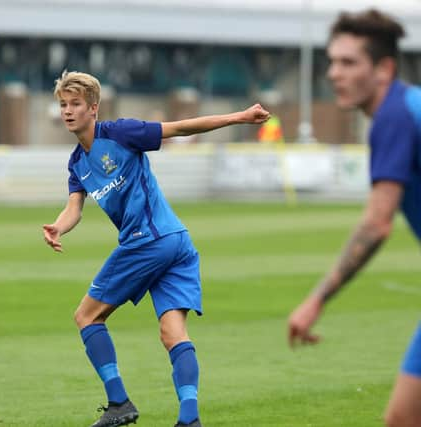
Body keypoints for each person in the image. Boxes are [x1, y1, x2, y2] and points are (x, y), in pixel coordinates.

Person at [43, 70, 270, 427]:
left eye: (75, 104)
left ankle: (119, 403)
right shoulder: (76, 163)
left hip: (147, 242)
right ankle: (189, 420)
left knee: (86, 316)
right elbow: (74, 208)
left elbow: (179, 128)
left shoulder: (120, 133)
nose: (68, 111)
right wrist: (59, 226)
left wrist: (239, 117)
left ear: (93, 109)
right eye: (63, 105)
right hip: (177, 243)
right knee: (172, 334)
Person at [287, 9, 421, 427]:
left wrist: (315, 299)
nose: (333, 73)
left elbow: (376, 223)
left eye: (348, 63)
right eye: (332, 61)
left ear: (383, 69)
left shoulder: (397, 116)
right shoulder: (407, 107)